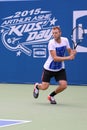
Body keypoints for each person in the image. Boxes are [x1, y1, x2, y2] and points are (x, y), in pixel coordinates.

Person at [33, 26, 76, 104]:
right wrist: (69, 57)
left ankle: (51, 96)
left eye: (56, 33)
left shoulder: (65, 40)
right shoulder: (51, 43)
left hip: (60, 68)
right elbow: (55, 58)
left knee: (64, 85)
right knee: (44, 87)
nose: (54, 35)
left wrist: (72, 54)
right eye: (53, 33)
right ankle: (37, 86)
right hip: (49, 68)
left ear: (60, 33)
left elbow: (69, 51)